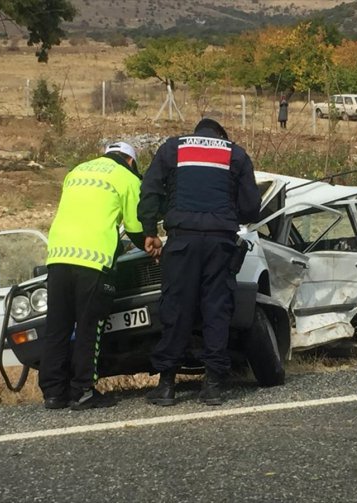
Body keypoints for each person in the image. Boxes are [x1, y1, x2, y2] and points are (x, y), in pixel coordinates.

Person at [138, 118, 261, 406]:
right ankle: (213, 386)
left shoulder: (173, 148)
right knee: (216, 309)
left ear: (197, 132)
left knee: (176, 307)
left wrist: (149, 231)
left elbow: (150, 191)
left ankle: (167, 385)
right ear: (221, 135)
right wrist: (229, 217)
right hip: (220, 243)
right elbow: (251, 207)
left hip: (182, 241)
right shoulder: (236, 154)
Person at [39, 141, 146, 410]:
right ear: (131, 161)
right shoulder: (127, 177)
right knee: (89, 327)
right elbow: (135, 227)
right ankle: (82, 390)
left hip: (58, 256)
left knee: (58, 327)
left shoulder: (76, 172)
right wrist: (149, 243)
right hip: (93, 260)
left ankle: (53, 393)